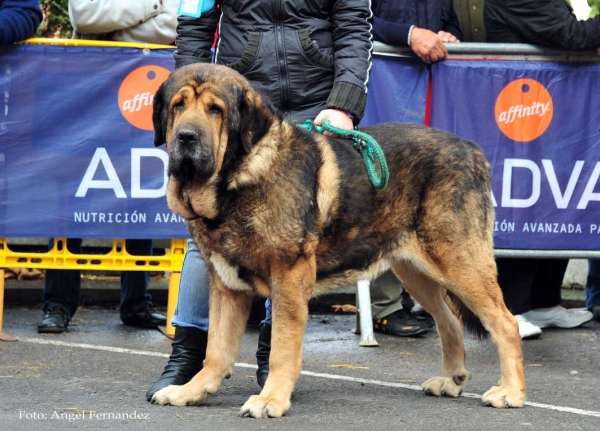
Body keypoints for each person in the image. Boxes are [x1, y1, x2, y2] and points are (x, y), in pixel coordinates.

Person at [146, 0, 373, 400]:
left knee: (286, 245)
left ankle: (273, 358)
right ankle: (187, 354)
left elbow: (354, 21)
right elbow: (195, 20)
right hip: (234, 104)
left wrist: (344, 101)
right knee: (207, 229)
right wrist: (192, 93)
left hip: (316, 101)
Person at [37, 0, 178, 333]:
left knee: (141, 187)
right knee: (73, 190)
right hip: (89, 92)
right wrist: (153, 5)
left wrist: (113, 24)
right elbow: (84, 16)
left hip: (143, 91)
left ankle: (136, 303)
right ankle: (57, 303)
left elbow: (175, 24)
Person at [484, 0, 598, 339]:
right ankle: (511, 308)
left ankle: (543, 302)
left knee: (555, 201)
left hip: (552, 111)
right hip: (518, 112)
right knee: (524, 203)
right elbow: (570, 34)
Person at [365, 0, 462, 338]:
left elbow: (450, 21)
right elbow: (355, 19)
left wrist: (450, 36)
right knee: (381, 194)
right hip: (381, 86)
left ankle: (416, 300)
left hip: (426, 89)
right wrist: (408, 34)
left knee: (418, 201)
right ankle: (384, 308)